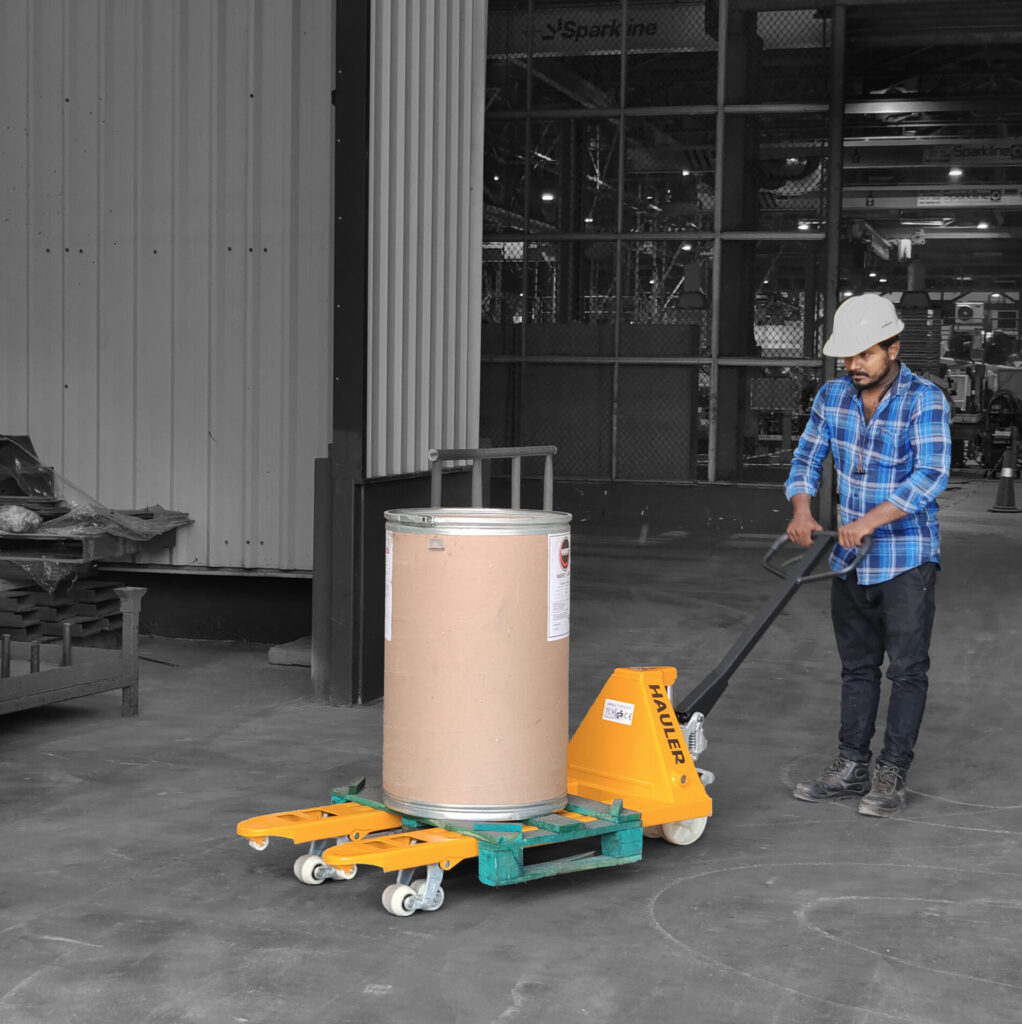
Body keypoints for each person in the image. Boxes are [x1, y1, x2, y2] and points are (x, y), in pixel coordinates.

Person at [784, 293, 951, 817]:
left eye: (865, 354)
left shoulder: (925, 400)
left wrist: (868, 521)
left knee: (906, 668)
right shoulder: (832, 397)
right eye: (847, 357)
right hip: (850, 560)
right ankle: (851, 765)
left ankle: (891, 771)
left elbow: (931, 476)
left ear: (893, 348)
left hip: (906, 557)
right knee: (857, 667)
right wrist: (802, 509)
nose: (853, 365)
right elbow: (807, 456)